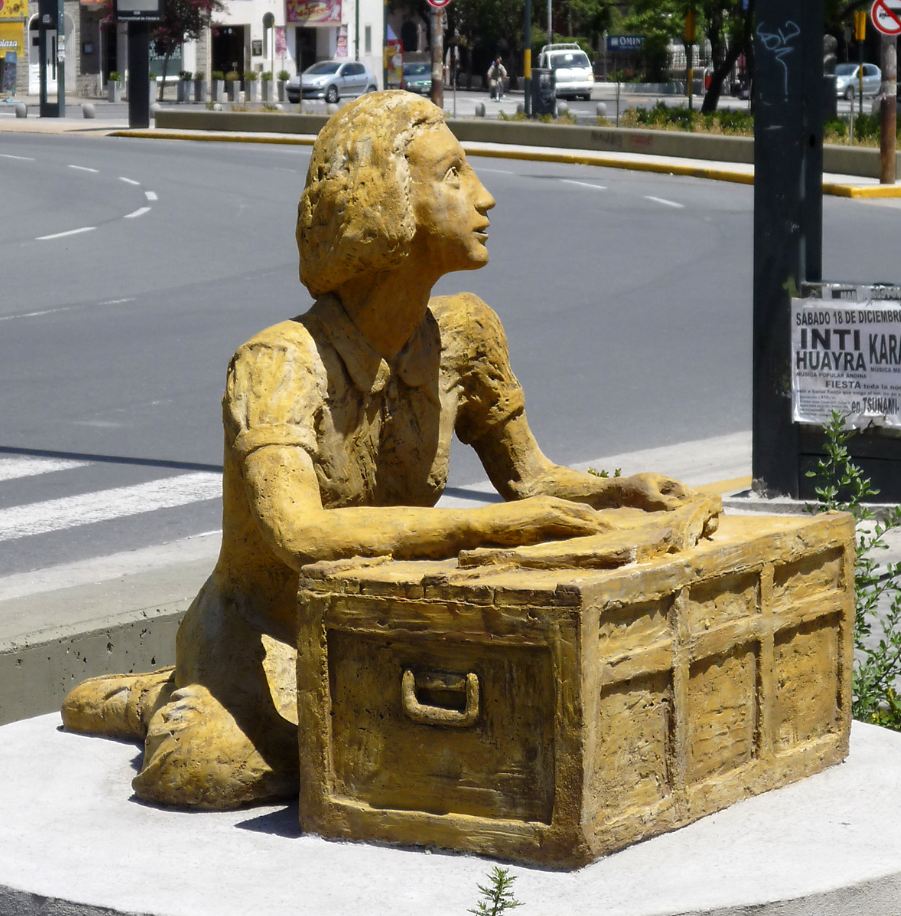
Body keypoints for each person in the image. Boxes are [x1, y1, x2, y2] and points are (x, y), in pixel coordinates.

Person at [62, 91, 705, 810]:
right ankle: (170, 694)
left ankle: (175, 693)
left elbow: (531, 479)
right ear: (386, 204)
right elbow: (299, 535)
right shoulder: (279, 362)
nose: (485, 197)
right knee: (212, 774)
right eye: (455, 175)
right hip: (270, 632)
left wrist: (618, 491)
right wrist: (480, 528)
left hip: (386, 627)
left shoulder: (466, 335)